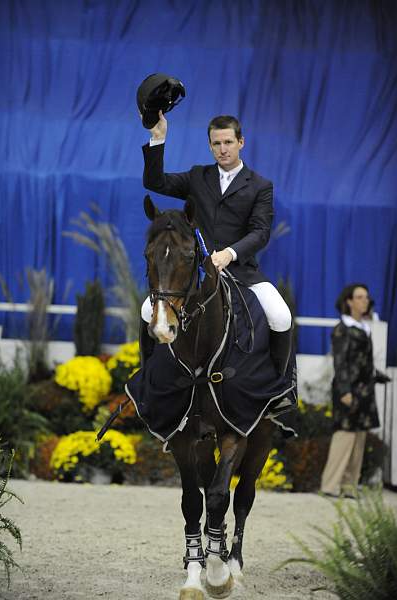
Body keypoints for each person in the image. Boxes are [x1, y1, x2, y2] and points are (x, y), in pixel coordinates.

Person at [140, 111, 293, 376]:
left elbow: (260, 232)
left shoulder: (260, 186)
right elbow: (155, 182)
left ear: (240, 142)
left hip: (241, 270)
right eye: (216, 144)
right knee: (146, 311)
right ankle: (147, 375)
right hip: (197, 273)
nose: (222, 150)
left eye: (228, 142)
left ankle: (281, 388)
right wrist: (158, 137)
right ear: (210, 146)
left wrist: (229, 254)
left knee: (281, 316)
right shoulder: (198, 176)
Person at [320, 283, 390, 499]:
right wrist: (344, 391)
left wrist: (377, 375)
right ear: (349, 301)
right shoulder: (342, 328)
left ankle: (349, 486)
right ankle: (330, 485)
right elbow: (340, 363)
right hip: (348, 390)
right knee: (344, 436)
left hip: (365, 392)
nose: (364, 301)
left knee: (359, 439)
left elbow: (362, 362)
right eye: (359, 297)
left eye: (366, 297)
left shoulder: (365, 328)